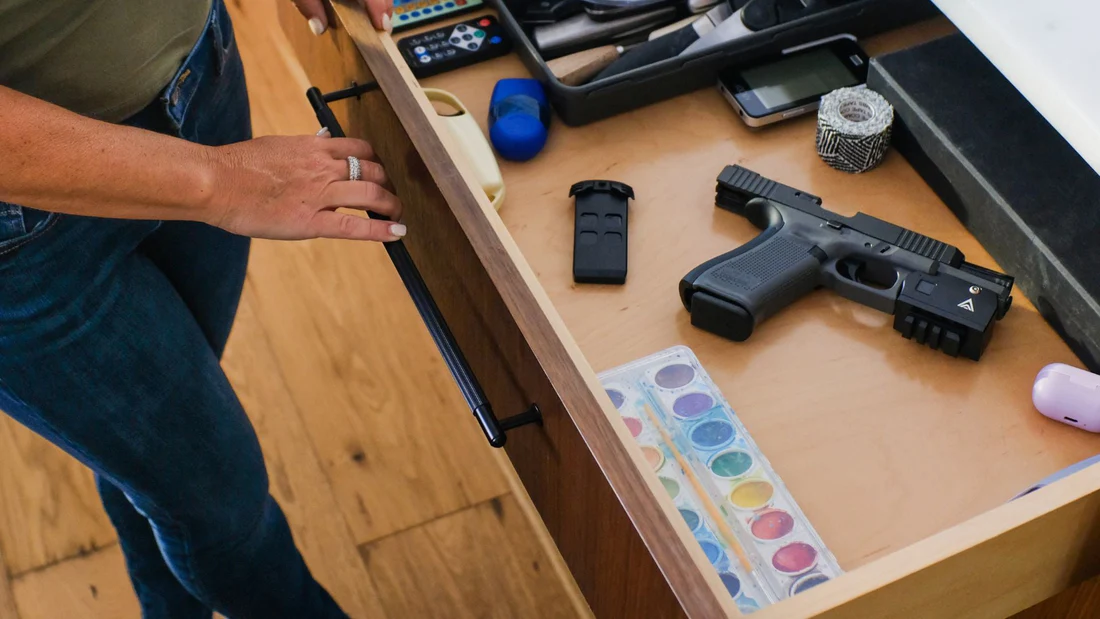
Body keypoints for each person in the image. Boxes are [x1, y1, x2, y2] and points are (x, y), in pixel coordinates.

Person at [0, 0, 396, 616]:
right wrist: (218, 181)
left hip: (196, 84)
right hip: (19, 248)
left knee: (164, 474)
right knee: (223, 502)